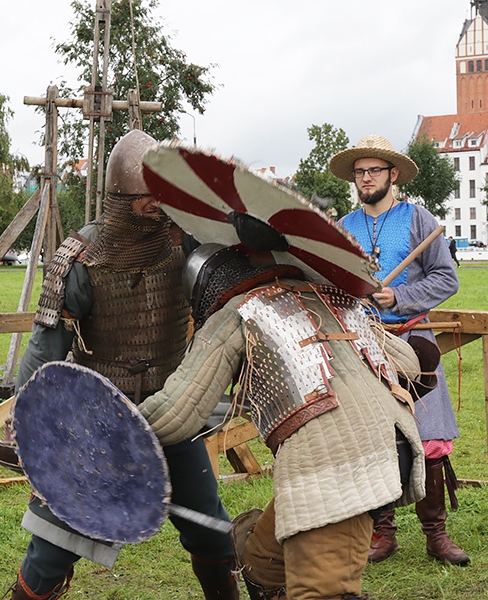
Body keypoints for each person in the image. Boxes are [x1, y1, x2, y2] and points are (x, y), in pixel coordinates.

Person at [2, 130, 238, 600]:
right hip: (99, 414)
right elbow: (46, 346)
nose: (156, 203)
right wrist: (21, 415)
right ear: (118, 196)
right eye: (144, 196)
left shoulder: (188, 243)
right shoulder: (82, 256)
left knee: (211, 530)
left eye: (161, 193)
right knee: (54, 542)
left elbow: (231, 290)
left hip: (174, 407)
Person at [138, 243, 434, 600]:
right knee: (262, 563)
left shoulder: (239, 312)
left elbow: (175, 411)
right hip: (395, 447)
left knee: (320, 593)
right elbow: (413, 364)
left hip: (336, 466)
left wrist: (115, 427)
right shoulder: (336, 298)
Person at [328, 134, 470, 566]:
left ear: (393, 175)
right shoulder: (344, 227)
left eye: (374, 170)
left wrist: (400, 298)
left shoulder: (418, 219)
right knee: (374, 438)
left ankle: (436, 535)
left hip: (412, 341)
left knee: (428, 438)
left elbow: (447, 278)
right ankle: (382, 533)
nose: (366, 178)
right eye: (360, 172)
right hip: (361, 344)